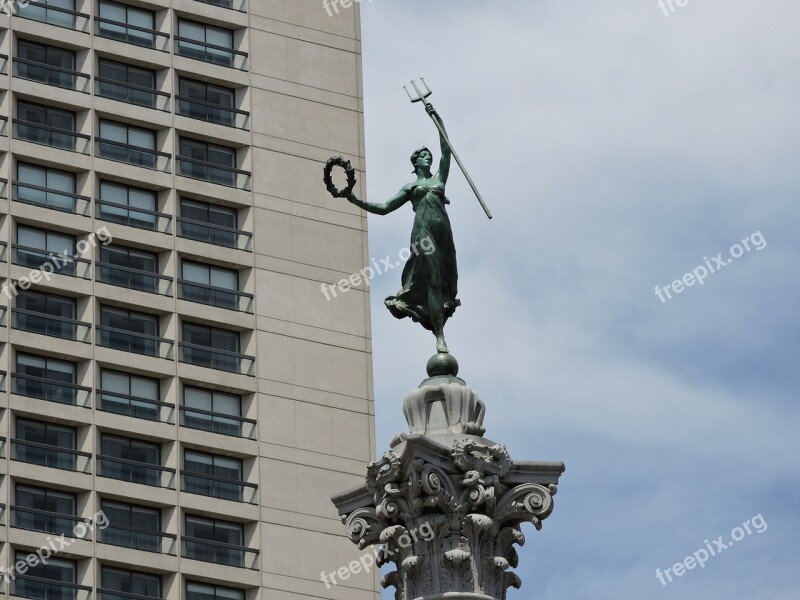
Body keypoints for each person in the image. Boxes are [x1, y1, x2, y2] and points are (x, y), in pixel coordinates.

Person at [346, 105, 459, 353]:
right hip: (424, 233)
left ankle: (440, 317)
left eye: (429, 155)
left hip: (444, 233)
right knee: (432, 279)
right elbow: (385, 207)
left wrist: (436, 117)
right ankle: (439, 335)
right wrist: (355, 200)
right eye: (423, 155)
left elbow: (446, 151)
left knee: (447, 278)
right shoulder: (411, 187)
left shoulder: (439, 179)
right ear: (415, 162)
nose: (428, 157)